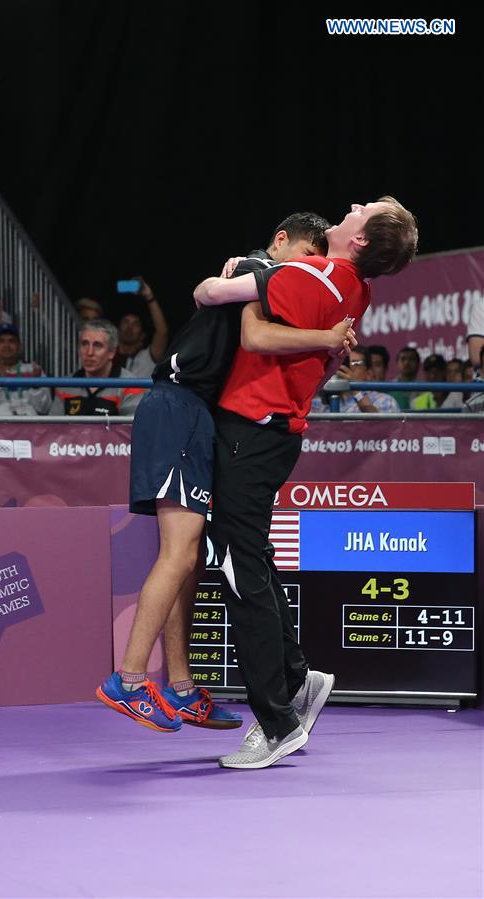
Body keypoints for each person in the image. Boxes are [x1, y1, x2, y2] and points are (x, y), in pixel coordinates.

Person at [96, 212, 357, 733]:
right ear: (282, 241)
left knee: (189, 559)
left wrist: (328, 344)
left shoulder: (272, 286)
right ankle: (126, 679)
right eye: (309, 253)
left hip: (196, 417)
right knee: (179, 554)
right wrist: (325, 333)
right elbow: (210, 293)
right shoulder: (263, 269)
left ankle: (182, 686)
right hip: (178, 409)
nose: (313, 267)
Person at [192, 197, 418, 768]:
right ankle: (297, 679)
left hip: (250, 431)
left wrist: (249, 269)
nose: (350, 207)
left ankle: (275, 723)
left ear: (361, 241)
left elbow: (217, 302)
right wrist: (265, 279)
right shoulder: (355, 288)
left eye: (360, 211)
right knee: (255, 561)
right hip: (270, 434)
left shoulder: (317, 273)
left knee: (241, 573)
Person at [54, 318, 144, 416]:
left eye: (97, 345)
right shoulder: (65, 386)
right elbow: (51, 429)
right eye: (85, 344)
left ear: (112, 352)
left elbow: (132, 429)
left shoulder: (130, 385)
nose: (89, 352)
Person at [0, 323, 51, 416]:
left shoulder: (33, 370)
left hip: (29, 425)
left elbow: (44, 409)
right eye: (1, 341)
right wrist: (0, 381)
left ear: (19, 346)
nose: (6, 345)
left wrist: (36, 387)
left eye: (12, 341)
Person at [313, 345, 400, 412]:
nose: (349, 367)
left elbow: (380, 428)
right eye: (346, 363)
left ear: (369, 373)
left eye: (356, 364)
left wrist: (355, 389)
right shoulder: (322, 402)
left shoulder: (385, 400)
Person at [114, 277, 169, 377]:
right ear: (117, 329)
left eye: (135, 324)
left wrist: (149, 295)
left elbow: (162, 331)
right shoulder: (108, 355)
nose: (129, 327)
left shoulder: (148, 356)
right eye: (126, 322)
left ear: (142, 335)